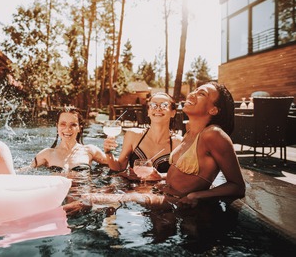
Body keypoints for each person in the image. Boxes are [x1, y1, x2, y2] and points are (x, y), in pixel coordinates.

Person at [64, 82, 246, 214]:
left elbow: (237, 186)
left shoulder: (213, 135)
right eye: (196, 90)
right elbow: (185, 173)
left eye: (202, 94)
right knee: (83, 194)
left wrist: (198, 195)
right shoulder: (191, 134)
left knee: (88, 201)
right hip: (159, 189)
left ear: (213, 110)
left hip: (171, 200)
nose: (192, 94)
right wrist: (160, 176)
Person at [104, 92, 182, 180]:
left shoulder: (178, 143)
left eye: (164, 105)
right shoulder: (133, 136)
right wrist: (108, 152)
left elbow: (183, 176)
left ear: (173, 113)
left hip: (160, 191)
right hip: (131, 189)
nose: (158, 109)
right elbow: (119, 168)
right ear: (148, 112)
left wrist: (161, 177)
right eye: (153, 105)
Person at [32, 107, 109, 172]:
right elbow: (24, 172)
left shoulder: (90, 150)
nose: (67, 129)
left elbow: (117, 166)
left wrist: (109, 151)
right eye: (63, 124)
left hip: (83, 189)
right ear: (57, 126)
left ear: (79, 128)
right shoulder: (47, 154)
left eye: (73, 125)